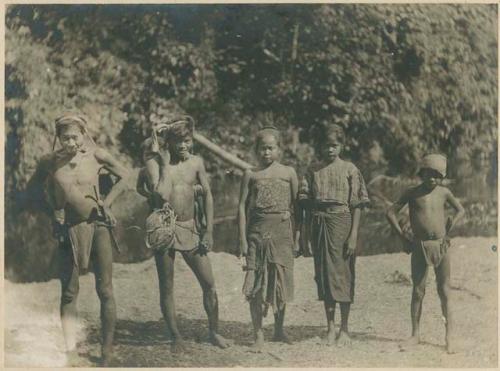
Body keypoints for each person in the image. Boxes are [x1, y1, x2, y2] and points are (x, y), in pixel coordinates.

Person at [26, 112, 130, 366]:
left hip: (98, 228)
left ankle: (106, 351)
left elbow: (125, 177)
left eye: (74, 137)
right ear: (58, 138)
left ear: (83, 135)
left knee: (105, 289)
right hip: (67, 231)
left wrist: (107, 202)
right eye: (65, 138)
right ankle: (70, 351)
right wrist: (53, 213)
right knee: (69, 292)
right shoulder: (50, 161)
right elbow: (32, 190)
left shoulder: (96, 156)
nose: (70, 143)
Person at [136, 115, 229, 352]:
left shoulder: (197, 163)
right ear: (168, 142)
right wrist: (165, 164)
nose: (183, 146)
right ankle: (175, 336)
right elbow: (162, 196)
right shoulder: (154, 164)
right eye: (178, 141)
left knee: (209, 283)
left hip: (190, 227)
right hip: (164, 228)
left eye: (187, 140)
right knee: (167, 285)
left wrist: (208, 230)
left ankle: (214, 331)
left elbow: (207, 194)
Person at [386, 153, 465, 354]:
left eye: (436, 175)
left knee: (444, 290)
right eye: (428, 174)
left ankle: (450, 337)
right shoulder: (412, 193)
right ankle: (415, 334)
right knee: (418, 291)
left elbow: (460, 211)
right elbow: (390, 212)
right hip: (419, 246)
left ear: (442, 177)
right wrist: (402, 237)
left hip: (441, 245)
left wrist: (451, 226)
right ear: (421, 174)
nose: (432, 179)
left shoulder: (444, 192)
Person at [298, 124, 369, 346]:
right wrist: (304, 234)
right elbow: (305, 203)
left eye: (334, 145)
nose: (330, 149)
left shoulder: (350, 169)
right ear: (320, 146)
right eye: (326, 145)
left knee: (343, 274)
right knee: (324, 275)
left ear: (341, 145)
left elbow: (357, 204)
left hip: (343, 223)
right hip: (319, 223)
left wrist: (354, 234)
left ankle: (345, 328)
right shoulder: (313, 170)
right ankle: (330, 327)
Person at [238, 125, 300, 349]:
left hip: (282, 234)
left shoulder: (288, 173)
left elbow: (297, 207)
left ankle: (279, 330)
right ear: (256, 150)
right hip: (257, 234)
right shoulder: (250, 174)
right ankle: (258, 335)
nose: (267, 153)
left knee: (279, 280)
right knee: (256, 282)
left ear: (279, 150)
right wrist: (242, 240)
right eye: (262, 149)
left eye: (271, 148)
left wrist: (298, 236)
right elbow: (241, 208)